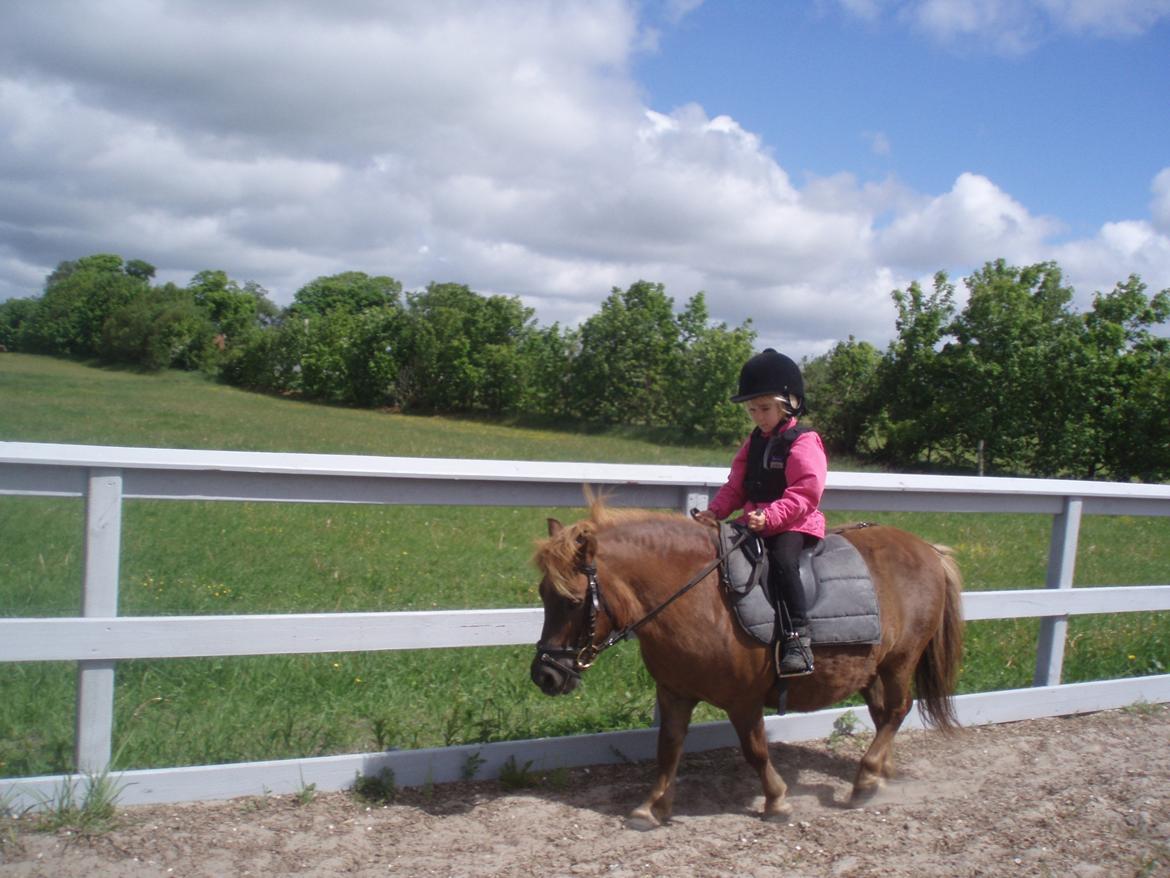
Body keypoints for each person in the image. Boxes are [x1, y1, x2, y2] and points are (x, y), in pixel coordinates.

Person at [694, 348, 827, 676]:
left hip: (794, 523)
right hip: (756, 521)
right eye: (753, 410)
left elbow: (805, 491)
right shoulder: (753, 443)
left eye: (765, 408)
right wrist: (715, 511)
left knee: (783, 562)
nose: (758, 416)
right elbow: (736, 486)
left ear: (790, 403)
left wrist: (771, 517)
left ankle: (798, 636)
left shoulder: (804, 441)